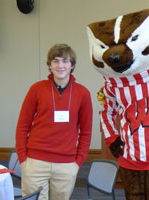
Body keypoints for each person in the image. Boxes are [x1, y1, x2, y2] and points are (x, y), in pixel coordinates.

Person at [16, 44, 93, 200]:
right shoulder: (36, 89)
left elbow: (86, 131)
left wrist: (77, 162)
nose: (60, 66)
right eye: (55, 61)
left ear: (72, 65)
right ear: (49, 65)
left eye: (65, 61)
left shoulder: (83, 93)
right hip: (35, 162)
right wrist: (23, 159)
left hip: (66, 165)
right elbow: (22, 126)